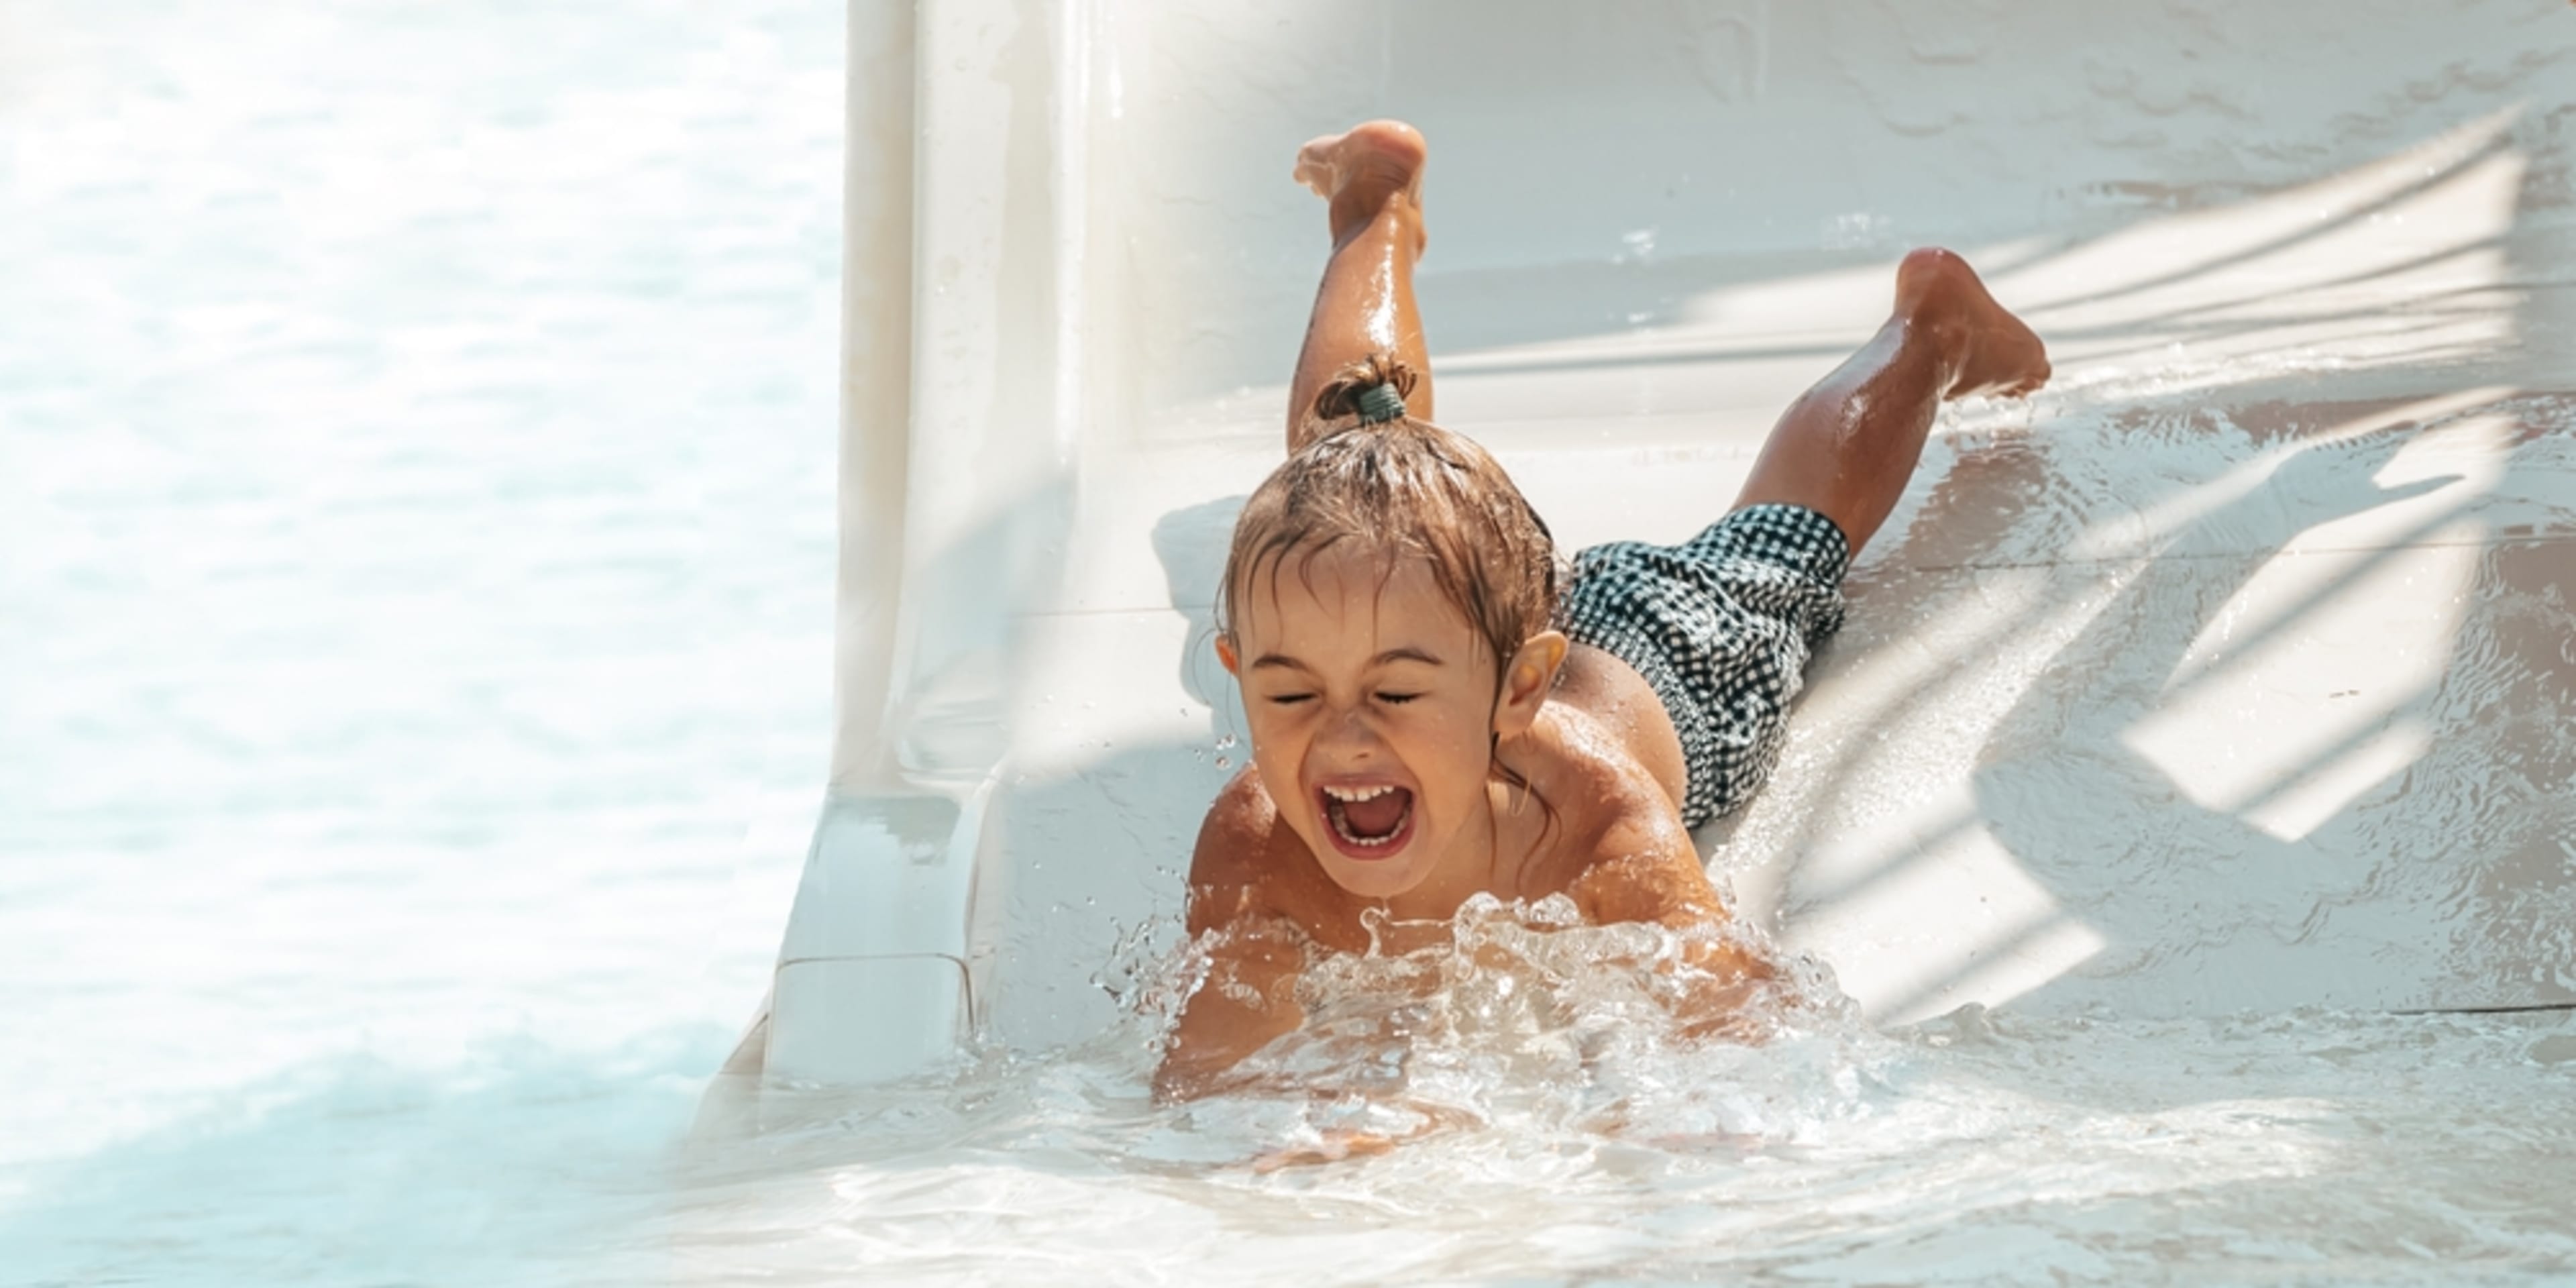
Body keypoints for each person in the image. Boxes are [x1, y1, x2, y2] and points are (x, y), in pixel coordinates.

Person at [1157, 119, 2049, 1104]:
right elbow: (1204, 1085)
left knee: (1786, 538)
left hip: (1655, 652)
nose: (1344, 737)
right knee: (1348, 462)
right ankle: (1373, 210)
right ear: (1243, 676)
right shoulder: (1256, 846)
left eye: (1395, 695)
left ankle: (1932, 332)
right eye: (1290, 696)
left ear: (1519, 688)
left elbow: (1749, 1044)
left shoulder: (1589, 822)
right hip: (1441, 616)